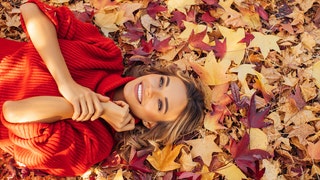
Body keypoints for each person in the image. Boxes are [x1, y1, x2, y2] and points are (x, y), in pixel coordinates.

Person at [0, 0, 205, 177]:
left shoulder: (93, 145)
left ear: (151, 123)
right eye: (161, 82)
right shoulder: (105, 54)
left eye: (160, 104)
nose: (152, 90)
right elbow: (31, 10)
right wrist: (66, 83)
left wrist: (95, 108)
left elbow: (12, 112)